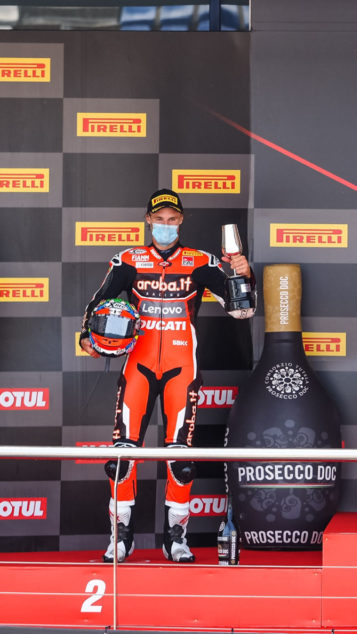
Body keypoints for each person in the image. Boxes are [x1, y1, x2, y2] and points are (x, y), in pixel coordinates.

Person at [80, 188, 253, 563]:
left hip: (182, 369)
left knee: (181, 459)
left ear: (181, 222)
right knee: (121, 456)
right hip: (138, 366)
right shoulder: (128, 259)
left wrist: (243, 273)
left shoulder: (200, 261)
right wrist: (87, 338)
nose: (165, 226)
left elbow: (242, 312)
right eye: (159, 220)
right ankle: (120, 536)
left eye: (172, 220)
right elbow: (97, 303)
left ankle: (176, 538)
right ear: (148, 221)